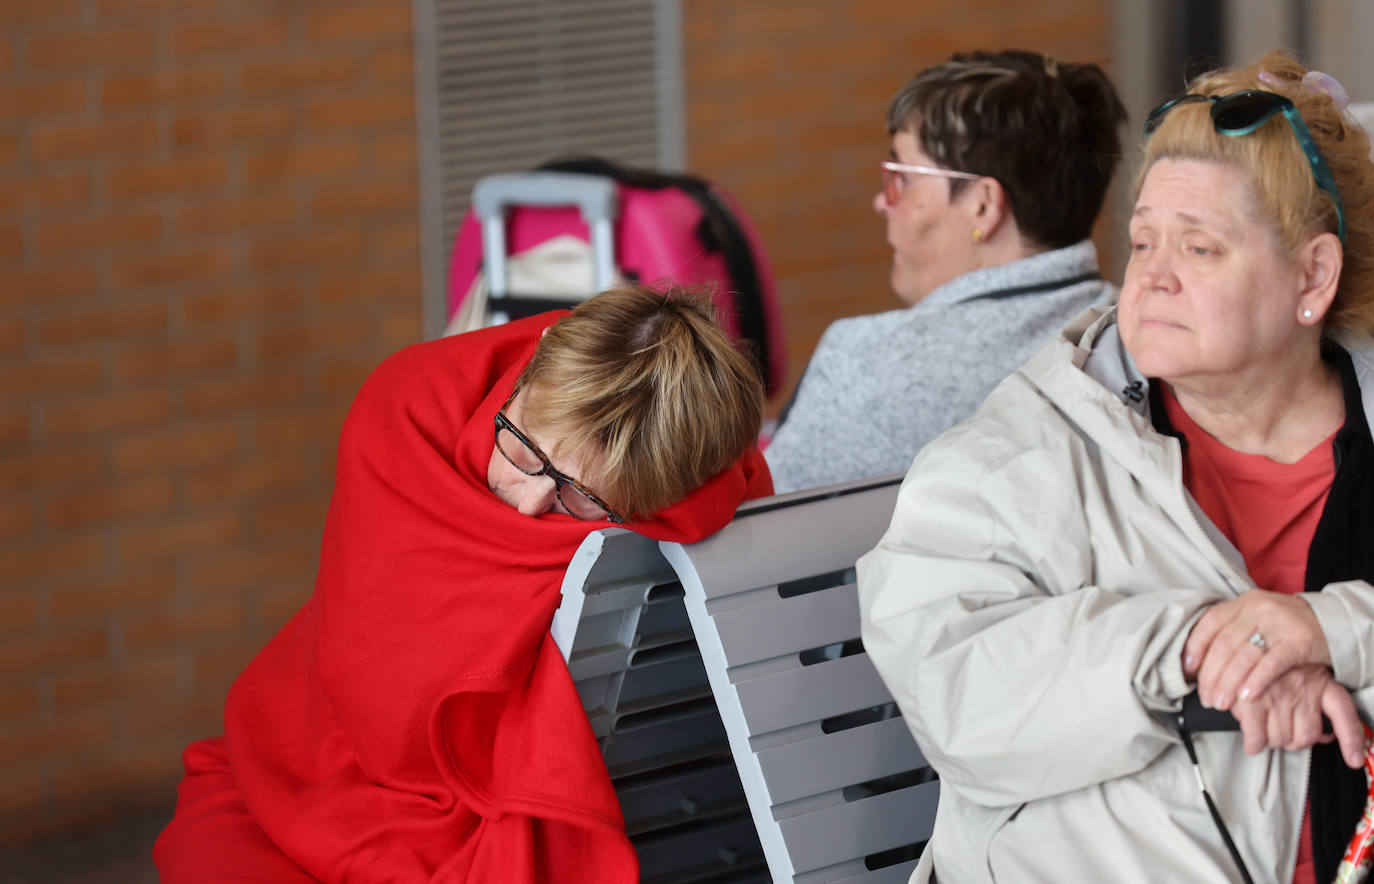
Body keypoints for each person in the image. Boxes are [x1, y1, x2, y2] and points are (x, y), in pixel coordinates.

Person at [858, 50, 1374, 884]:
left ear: (1312, 275)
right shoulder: (1021, 454)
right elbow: (956, 688)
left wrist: (1328, 633)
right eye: (1142, 242)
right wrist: (1199, 645)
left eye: (1200, 249)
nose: (1153, 278)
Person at [153, 284, 773, 883]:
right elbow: (382, 709)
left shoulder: (677, 461)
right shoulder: (408, 410)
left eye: (577, 498)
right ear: (533, 365)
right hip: (307, 746)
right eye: (523, 451)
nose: (530, 504)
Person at [764, 48, 1126, 492]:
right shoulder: (1137, 340)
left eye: (903, 178)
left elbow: (761, 540)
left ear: (983, 205)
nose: (882, 201)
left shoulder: (865, 364)